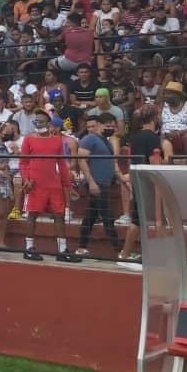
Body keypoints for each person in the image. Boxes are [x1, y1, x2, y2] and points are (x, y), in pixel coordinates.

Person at [19, 111, 80, 262]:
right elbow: (23, 162)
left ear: (48, 124)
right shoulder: (28, 139)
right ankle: (29, 248)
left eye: (41, 121)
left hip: (54, 185)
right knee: (32, 215)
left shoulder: (58, 141)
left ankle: (62, 250)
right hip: (35, 185)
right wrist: (26, 179)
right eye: (36, 121)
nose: (38, 123)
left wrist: (68, 185)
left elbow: (62, 165)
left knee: (59, 216)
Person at [118, 107, 170, 262]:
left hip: (139, 180)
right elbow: (155, 162)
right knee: (143, 220)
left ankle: (128, 254)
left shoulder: (135, 137)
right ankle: (125, 255)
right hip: (150, 182)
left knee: (140, 219)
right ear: (154, 118)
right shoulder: (154, 138)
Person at [76, 112, 127, 256]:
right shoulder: (89, 139)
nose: (110, 128)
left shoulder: (106, 141)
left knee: (90, 217)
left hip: (103, 182)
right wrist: (91, 182)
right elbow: (82, 161)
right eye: (107, 125)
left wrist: (121, 178)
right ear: (100, 125)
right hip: (96, 182)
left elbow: (112, 162)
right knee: (107, 216)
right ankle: (120, 250)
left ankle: (81, 247)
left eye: (112, 125)